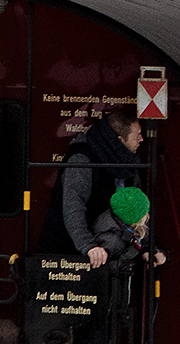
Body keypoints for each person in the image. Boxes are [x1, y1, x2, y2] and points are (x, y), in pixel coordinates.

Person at [36, 109, 145, 268]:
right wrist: (89, 246)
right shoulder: (82, 160)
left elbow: (135, 212)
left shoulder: (126, 165)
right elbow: (73, 207)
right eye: (137, 136)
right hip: (65, 259)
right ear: (120, 140)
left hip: (101, 254)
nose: (142, 139)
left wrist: (148, 248)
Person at [90, 187, 167, 273]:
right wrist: (135, 263)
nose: (147, 216)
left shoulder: (131, 220)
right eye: (144, 215)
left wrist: (153, 252)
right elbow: (105, 267)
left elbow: (144, 239)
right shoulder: (111, 239)